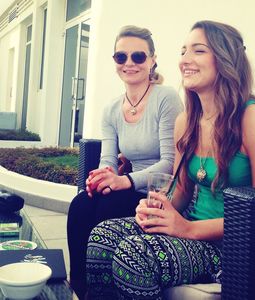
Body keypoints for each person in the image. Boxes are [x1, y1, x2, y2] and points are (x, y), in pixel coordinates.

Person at [85, 20, 255, 299]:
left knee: (135, 254)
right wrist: (160, 208)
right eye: (183, 51)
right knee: (102, 237)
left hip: (232, 248)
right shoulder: (187, 122)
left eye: (198, 51)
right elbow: (181, 191)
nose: (185, 60)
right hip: (190, 230)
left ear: (226, 59)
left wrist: (188, 228)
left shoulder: (254, 118)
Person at [67, 25, 183, 298]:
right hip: (125, 185)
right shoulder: (111, 109)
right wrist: (100, 177)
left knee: (105, 208)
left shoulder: (166, 98)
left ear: (153, 60)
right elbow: (108, 158)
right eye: (121, 57)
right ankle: (81, 288)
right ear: (115, 62)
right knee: (81, 204)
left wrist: (123, 180)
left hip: (157, 192)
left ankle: (104, 291)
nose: (129, 63)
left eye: (138, 57)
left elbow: (170, 162)